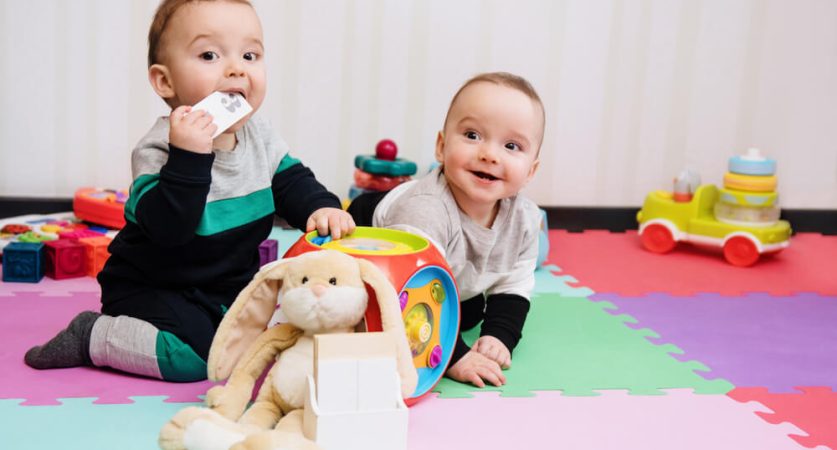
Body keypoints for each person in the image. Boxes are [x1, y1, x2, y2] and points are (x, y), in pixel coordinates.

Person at [25, 0, 355, 382]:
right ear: (165, 82)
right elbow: (170, 230)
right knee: (192, 360)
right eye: (210, 55)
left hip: (226, 285)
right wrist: (190, 157)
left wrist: (321, 207)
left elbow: (293, 183)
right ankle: (92, 335)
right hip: (154, 285)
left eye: (250, 55)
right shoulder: (158, 150)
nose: (236, 69)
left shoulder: (260, 137)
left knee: (258, 345)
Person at [349, 72, 544, 388]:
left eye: (511, 145)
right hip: (373, 241)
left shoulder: (524, 221)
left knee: (469, 313)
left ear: (531, 171)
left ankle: (457, 290)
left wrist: (499, 335)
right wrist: (455, 357)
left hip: (447, 265)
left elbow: (514, 284)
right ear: (441, 147)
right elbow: (412, 290)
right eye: (472, 135)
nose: (489, 154)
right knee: (359, 309)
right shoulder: (426, 212)